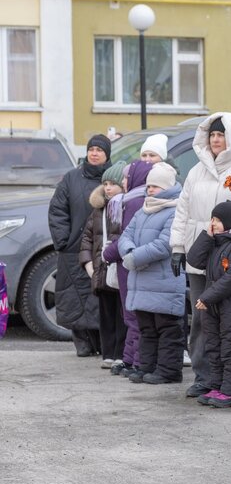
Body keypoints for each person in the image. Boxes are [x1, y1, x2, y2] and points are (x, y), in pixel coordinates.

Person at [170, 113, 231, 399]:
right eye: (212, 135)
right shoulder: (196, 172)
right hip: (201, 259)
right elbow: (183, 212)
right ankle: (206, 378)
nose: (216, 140)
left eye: (222, 135)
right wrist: (178, 247)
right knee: (202, 321)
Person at [118, 162, 186, 385]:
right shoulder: (144, 209)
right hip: (143, 281)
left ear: (167, 187)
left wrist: (135, 257)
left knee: (167, 329)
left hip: (164, 282)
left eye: (155, 186)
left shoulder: (175, 210)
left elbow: (165, 244)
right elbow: (125, 235)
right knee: (147, 328)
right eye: (149, 186)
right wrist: (128, 251)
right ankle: (146, 367)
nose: (150, 190)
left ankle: (168, 371)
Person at [186, 201, 231, 407]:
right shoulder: (216, 242)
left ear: (229, 222)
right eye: (212, 219)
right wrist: (206, 236)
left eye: (217, 220)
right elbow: (194, 259)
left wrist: (207, 297)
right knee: (214, 348)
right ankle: (217, 385)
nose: (213, 223)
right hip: (215, 308)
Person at [49, 134, 110, 357]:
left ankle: (104, 344)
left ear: (107, 154)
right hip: (73, 249)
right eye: (91, 149)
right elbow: (58, 210)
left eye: (99, 150)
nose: (94, 153)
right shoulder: (71, 178)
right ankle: (83, 344)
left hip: (103, 249)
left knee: (100, 297)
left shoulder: (111, 180)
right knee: (75, 297)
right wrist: (63, 240)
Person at [103, 160, 152, 376]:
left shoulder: (134, 202)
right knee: (132, 315)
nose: (123, 182)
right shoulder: (134, 199)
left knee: (132, 315)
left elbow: (127, 236)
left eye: (125, 177)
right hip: (129, 262)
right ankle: (130, 358)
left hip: (129, 264)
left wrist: (109, 253)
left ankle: (136, 361)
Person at [79, 161, 128, 369]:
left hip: (120, 267)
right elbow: (87, 238)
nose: (108, 187)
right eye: (105, 183)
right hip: (102, 269)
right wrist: (89, 265)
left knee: (121, 311)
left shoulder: (126, 206)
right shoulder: (98, 210)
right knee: (106, 312)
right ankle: (108, 353)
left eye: (113, 183)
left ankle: (121, 353)